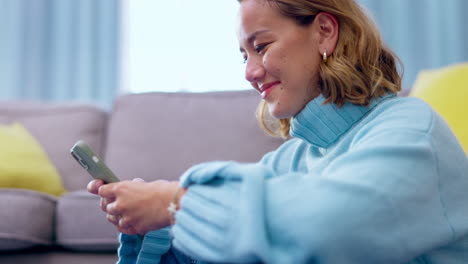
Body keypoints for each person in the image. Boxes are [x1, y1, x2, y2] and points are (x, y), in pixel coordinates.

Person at [88, 0, 468, 263]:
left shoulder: (412, 132)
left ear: (323, 32)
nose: (250, 73)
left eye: (262, 46)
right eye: (244, 55)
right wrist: (157, 221)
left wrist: (175, 202)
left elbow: (327, 230)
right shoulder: (293, 158)